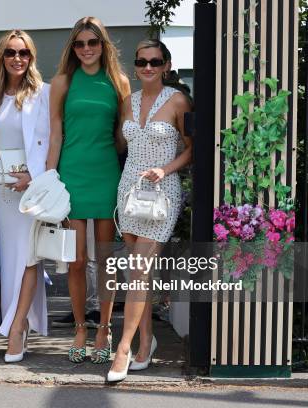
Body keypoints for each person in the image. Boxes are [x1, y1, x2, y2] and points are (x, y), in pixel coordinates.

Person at [46, 16, 131, 364]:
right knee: (77, 261)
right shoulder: (63, 81)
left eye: (92, 43)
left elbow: (124, 135)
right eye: (79, 44)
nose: (85, 49)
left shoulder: (119, 81)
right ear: (73, 47)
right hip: (72, 175)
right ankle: (81, 326)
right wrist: (50, 177)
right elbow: (55, 132)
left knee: (107, 260)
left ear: (103, 45)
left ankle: (104, 330)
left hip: (107, 174)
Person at [107, 39, 192, 383]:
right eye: (141, 61)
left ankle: (122, 350)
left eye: (155, 61)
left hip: (162, 193)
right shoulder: (128, 101)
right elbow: (121, 146)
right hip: (129, 192)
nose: (147, 67)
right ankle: (146, 343)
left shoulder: (178, 100)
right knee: (137, 274)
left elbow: (193, 150)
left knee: (139, 271)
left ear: (166, 65)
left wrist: (165, 169)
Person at [0, 30, 51, 362]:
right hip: (0, 190)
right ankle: (17, 322)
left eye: (24, 53)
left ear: (32, 57)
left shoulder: (45, 94)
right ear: (2, 57)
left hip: (32, 189)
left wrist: (35, 177)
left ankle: (18, 326)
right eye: (11, 52)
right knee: (8, 259)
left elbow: (56, 142)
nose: (17, 58)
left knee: (28, 258)